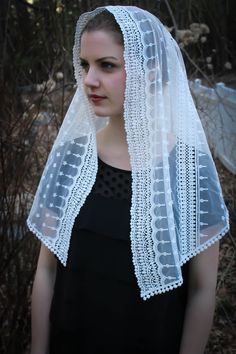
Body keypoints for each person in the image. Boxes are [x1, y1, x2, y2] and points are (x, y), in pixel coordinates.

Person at [27, 5, 229, 354]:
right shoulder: (72, 158)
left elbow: (201, 290)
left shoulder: (187, 173)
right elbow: (46, 271)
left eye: (107, 65)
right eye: (85, 65)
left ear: (149, 71)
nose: (89, 79)